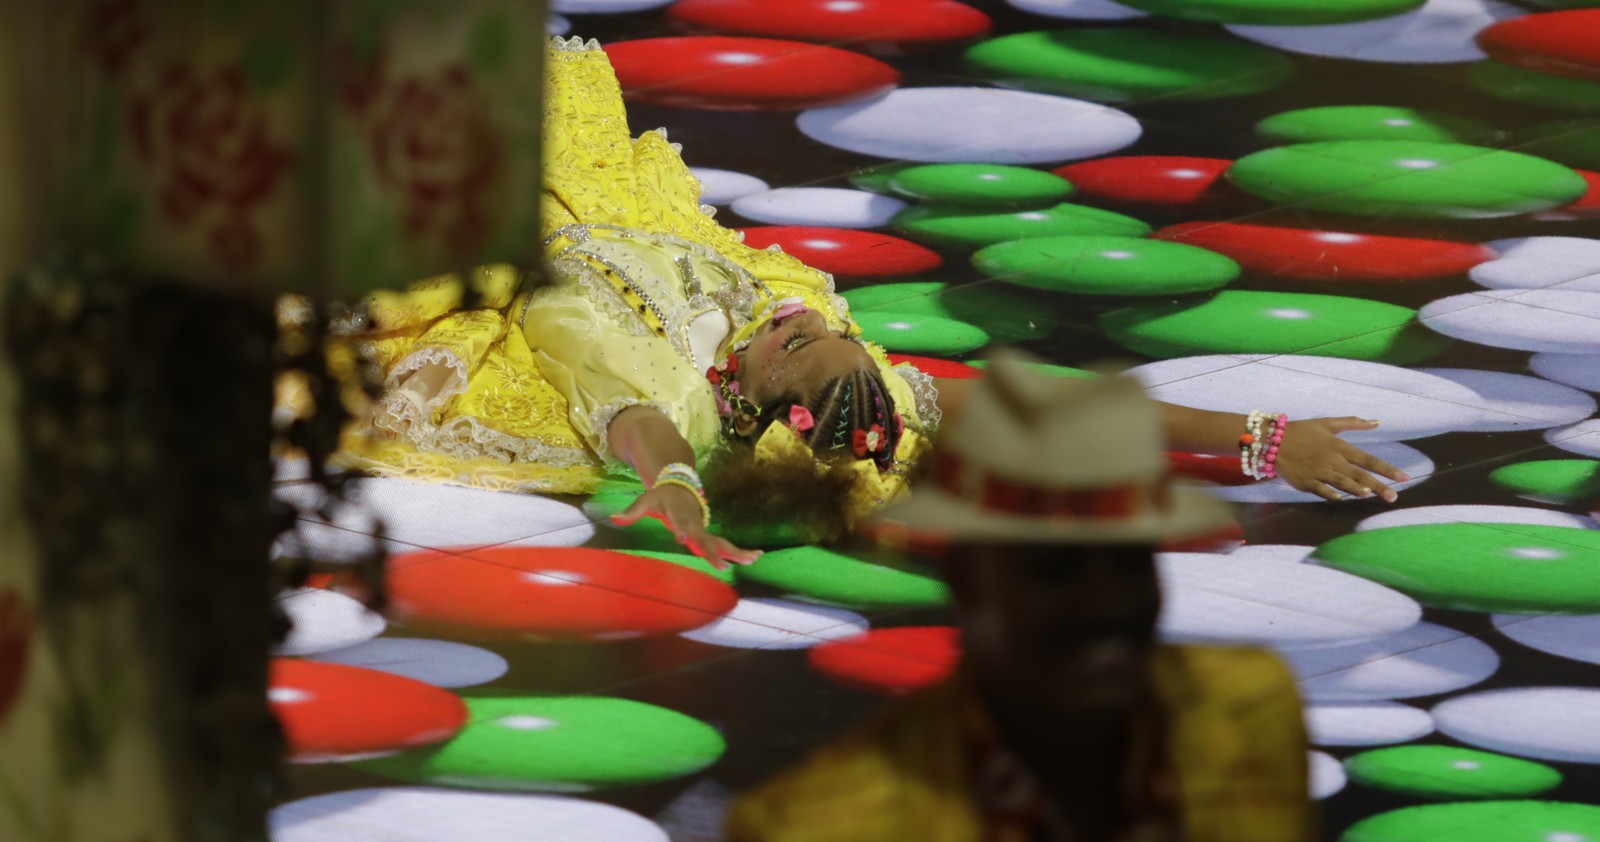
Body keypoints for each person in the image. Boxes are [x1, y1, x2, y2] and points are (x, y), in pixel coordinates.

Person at [331, 37, 1409, 569]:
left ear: (757, 406)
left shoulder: (658, 381)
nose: (811, 321)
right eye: (834, 336)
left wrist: (671, 486)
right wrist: (1259, 436)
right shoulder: (838, 383)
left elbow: (636, 425)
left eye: (800, 347)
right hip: (591, 202)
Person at [721, 355, 1319, 842]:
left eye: (1127, 566)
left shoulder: (1248, 712)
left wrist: (1266, 434)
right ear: (974, 589)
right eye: (1055, 575)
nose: (1106, 605)